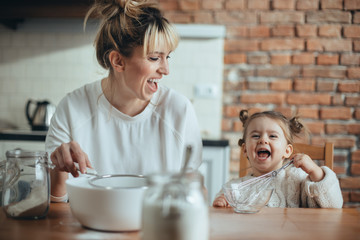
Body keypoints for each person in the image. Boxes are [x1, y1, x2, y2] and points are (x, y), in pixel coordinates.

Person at [46, 0, 203, 202]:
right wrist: (59, 170)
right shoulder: (71, 109)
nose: (165, 70)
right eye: (155, 58)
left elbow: (195, 193)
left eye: (167, 57)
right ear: (118, 61)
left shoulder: (179, 110)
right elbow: (55, 208)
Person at [213, 110, 343, 208]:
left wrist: (316, 172)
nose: (263, 140)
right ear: (245, 149)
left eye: (272, 136)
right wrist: (222, 203)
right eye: (256, 135)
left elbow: (334, 206)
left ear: (287, 151)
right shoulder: (235, 187)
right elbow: (223, 216)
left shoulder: (297, 179)